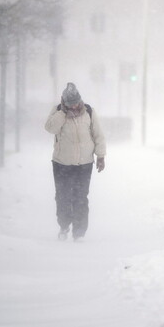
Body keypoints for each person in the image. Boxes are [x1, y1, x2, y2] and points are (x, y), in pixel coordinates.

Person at [44, 82, 106, 242]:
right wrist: (62, 113)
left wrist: (100, 156)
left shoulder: (89, 112)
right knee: (63, 197)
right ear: (64, 102)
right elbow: (50, 128)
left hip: (84, 164)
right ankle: (64, 226)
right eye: (70, 105)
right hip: (61, 163)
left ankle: (79, 232)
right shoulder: (58, 111)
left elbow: (98, 134)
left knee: (81, 197)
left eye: (76, 103)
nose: (74, 107)